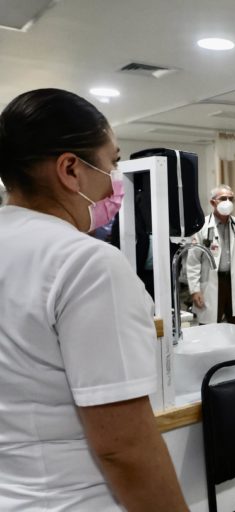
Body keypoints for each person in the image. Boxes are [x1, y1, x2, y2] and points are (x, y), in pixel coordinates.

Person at [0, 88, 187, 510]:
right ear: (71, 169)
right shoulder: (86, 264)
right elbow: (124, 447)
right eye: (112, 163)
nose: (115, 181)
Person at [187, 185, 235, 326]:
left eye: (231, 199)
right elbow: (193, 261)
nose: (228, 202)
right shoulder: (202, 226)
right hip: (211, 283)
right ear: (212, 202)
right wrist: (195, 290)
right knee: (209, 328)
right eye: (223, 198)